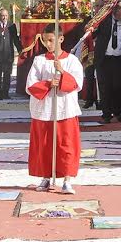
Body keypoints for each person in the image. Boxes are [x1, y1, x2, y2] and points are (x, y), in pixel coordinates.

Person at [26, 24, 84, 194]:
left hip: (64, 109)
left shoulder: (72, 60)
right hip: (45, 109)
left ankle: (67, 179)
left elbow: (77, 83)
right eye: (45, 41)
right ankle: (45, 176)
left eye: (51, 40)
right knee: (44, 145)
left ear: (60, 39)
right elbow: (30, 85)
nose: (48, 44)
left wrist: (62, 73)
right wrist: (48, 83)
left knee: (66, 145)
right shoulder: (39, 60)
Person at [93, 0, 121, 123]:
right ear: (118, 11)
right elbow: (91, 33)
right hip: (104, 60)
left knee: (118, 87)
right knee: (105, 88)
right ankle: (106, 114)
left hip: (119, 60)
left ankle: (118, 112)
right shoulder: (103, 22)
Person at [0, 8, 22, 100]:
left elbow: (15, 40)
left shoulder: (12, 26)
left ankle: (6, 94)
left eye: (6, 15)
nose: (4, 17)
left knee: (7, 76)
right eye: (2, 15)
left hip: (8, 55)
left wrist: (20, 50)